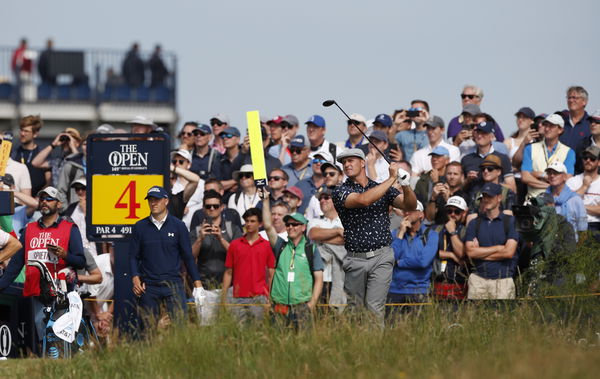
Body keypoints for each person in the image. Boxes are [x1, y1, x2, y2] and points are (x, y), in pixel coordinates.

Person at [331, 148, 416, 324]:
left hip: (382, 256)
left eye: (351, 160)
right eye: (344, 162)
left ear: (363, 163)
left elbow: (409, 205)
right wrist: (392, 179)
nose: (346, 164)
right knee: (355, 310)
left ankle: (375, 349)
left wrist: (406, 184)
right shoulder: (340, 191)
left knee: (374, 307)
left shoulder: (381, 187)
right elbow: (363, 200)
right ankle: (358, 348)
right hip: (355, 259)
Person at [0, 186, 86, 340]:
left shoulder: (70, 228)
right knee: (43, 332)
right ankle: (49, 362)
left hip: (63, 290)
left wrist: (65, 255)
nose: (45, 201)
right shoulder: (29, 229)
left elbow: (80, 262)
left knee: (61, 333)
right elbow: (15, 265)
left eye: (49, 199)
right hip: (37, 291)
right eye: (42, 199)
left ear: (59, 204)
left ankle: (65, 360)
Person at [130, 186, 204, 328]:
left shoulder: (179, 226)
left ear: (166, 201)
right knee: (148, 330)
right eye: (150, 200)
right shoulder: (140, 227)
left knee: (179, 329)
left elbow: (188, 257)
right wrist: (135, 277)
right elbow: (133, 256)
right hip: (149, 286)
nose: (153, 203)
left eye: (157, 199)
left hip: (173, 284)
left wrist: (198, 284)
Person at [260, 191, 324, 327]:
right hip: (279, 306)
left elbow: (319, 278)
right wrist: (265, 200)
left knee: (303, 345)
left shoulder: (310, 249)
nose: (290, 227)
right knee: (277, 343)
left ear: (303, 227)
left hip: (301, 306)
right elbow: (267, 226)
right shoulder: (280, 246)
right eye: (288, 224)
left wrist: (312, 303)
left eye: (295, 224)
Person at [465, 183, 519, 300]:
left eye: (490, 196)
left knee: (502, 316)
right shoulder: (474, 223)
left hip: (503, 280)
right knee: (474, 317)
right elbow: (470, 252)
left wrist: (480, 253)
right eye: (484, 196)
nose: (486, 199)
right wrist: (499, 248)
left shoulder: (511, 221)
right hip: (478, 279)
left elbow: (509, 252)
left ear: (499, 198)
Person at [222, 208, 275, 323]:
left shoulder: (266, 246)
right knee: (237, 333)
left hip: (259, 296)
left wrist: (270, 299)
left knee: (258, 331)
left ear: (260, 224)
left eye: (252, 221)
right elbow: (228, 272)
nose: (248, 224)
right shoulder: (235, 245)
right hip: (237, 296)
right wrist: (224, 296)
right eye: (247, 221)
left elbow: (271, 274)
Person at [388, 201, 439, 316]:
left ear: (421, 214)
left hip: (419, 290)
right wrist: (401, 234)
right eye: (405, 210)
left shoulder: (431, 235)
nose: (407, 213)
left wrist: (400, 262)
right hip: (395, 289)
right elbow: (391, 258)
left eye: (411, 210)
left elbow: (423, 262)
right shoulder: (396, 233)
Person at [190, 190, 243, 289]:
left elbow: (239, 255)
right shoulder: (197, 231)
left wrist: (221, 239)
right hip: (204, 285)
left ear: (222, 207)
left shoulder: (232, 228)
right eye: (208, 206)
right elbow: (190, 257)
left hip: (229, 285)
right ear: (203, 209)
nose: (212, 209)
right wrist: (200, 239)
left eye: (216, 206)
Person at [307, 188, 346, 312]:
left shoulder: (347, 220)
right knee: (318, 316)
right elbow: (313, 234)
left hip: (341, 277)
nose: (322, 200)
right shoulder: (315, 221)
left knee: (339, 318)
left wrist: (322, 239)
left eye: (326, 197)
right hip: (319, 278)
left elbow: (347, 240)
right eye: (320, 198)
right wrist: (338, 231)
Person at [521, 114, 576, 198]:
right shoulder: (530, 148)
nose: (547, 129)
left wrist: (537, 174)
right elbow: (525, 177)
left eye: (551, 126)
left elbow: (567, 179)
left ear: (560, 130)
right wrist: (550, 184)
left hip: (556, 202)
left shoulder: (569, 152)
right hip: (533, 201)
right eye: (545, 125)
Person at [461, 121, 516, 193]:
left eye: (484, 133)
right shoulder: (466, 159)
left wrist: (494, 183)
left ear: (492, 136)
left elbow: (512, 188)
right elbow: (459, 188)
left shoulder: (502, 158)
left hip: (495, 202)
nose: (479, 136)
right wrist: (468, 180)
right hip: (472, 202)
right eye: (478, 132)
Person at [431, 196, 469, 300]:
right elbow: (427, 252)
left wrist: (452, 232)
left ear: (464, 213)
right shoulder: (436, 229)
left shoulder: (467, 230)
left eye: (457, 211)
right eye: (449, 211)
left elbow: (462, 253)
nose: (452, 214)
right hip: (437, 283)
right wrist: (451, 255)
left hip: (459, 283)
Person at [545, 162, 587, 239]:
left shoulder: (575, 199)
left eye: (556, 173)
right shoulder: (542, 198)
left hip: (570, 245)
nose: (552, 175)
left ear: (564, 177)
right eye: (549, 173)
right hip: (547, 245)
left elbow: (582, 227)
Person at [12, 115, 49, 196]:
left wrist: (39, 197)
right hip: (17, 199)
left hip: (37, 201)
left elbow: (49, 181)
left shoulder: (42, 153)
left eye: (26, 131)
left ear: (35, 134)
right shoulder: (13, 153)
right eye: (21, 130)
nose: (22, 133)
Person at [567, 146, 600, 232]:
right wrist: (584, 186)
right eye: (585, 158)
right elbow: (567, 204)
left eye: (592, 158)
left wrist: (579, 206)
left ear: (599, 162)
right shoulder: (572, 181)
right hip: (573, 223)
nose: (588, 160)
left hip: (595, 225)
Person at [168, 149, 202, 221]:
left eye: (181, 162)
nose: (177, 164)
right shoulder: (171, 183)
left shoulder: (202, 183)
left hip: (196, 224)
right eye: (174, 162)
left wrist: (173, 169)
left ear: (189, 164)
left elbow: (196, 179)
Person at [559, 86, 590, 150]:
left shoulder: (591, 124)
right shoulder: (560, 121)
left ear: (584, 102)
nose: (571, 100)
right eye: (569, 98)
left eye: (575, 98)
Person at [574, 110, 600, 175]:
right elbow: (577, 169)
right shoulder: (582, 144)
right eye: (591, 121)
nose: (593, 124)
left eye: (597, 122)